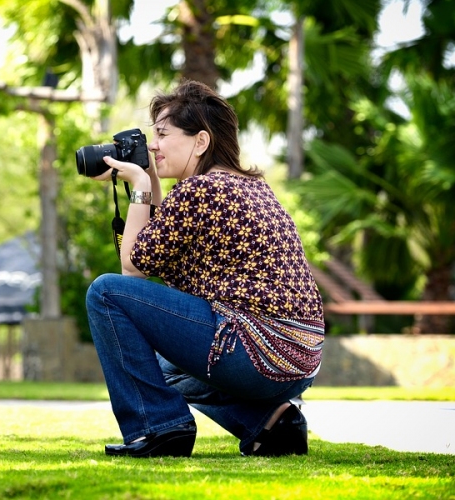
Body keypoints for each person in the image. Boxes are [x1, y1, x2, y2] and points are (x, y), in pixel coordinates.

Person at [85, 79, 324, 458]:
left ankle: (159, 428)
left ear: (200, 141)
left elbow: (132, 269)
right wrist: (147, 178)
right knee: (161, 365)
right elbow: (160, 242)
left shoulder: (200, 191)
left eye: (162, 134)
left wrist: (140, 187)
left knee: (105, 292)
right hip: (298, 359)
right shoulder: (248, 186)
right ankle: (271, 423)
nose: (153, 146)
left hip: (255, 351)